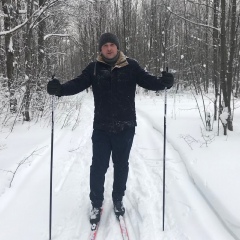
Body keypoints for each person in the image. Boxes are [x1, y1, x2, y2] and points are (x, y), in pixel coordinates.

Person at [47, 32, 174, 224]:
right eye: (105, 45)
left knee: (121, 166)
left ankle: (117, 199)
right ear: (101, 48)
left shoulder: (131, 66)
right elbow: (78, 83)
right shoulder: (94, 68)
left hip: (126, 126)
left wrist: (164, 83)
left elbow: (148, 81)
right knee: (98, 167)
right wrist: (60, 90)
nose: (108, 48)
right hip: (102, 128)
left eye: (112, 45)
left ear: (117, 47)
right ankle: (96, 203)